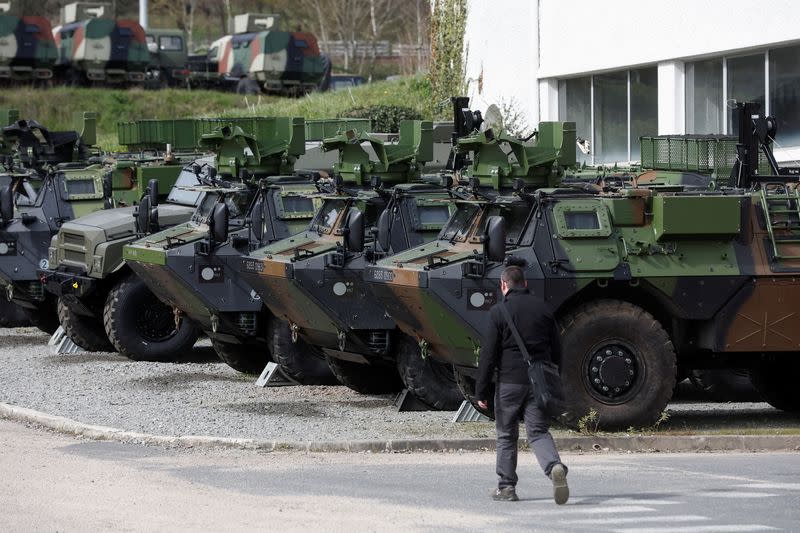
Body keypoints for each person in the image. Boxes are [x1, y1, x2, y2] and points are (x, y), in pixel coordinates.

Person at [476, 265, 568, 504]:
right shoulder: (544, 310)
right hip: (539, 383)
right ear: (525, 284)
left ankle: (506, 488)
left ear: (503, 285)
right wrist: (554, 380)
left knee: (507, 434)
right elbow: (557, 351)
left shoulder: (499, 311)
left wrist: (482, 391)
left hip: (509, 383)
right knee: (538, 432)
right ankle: (554, 466)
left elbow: (488, 355)